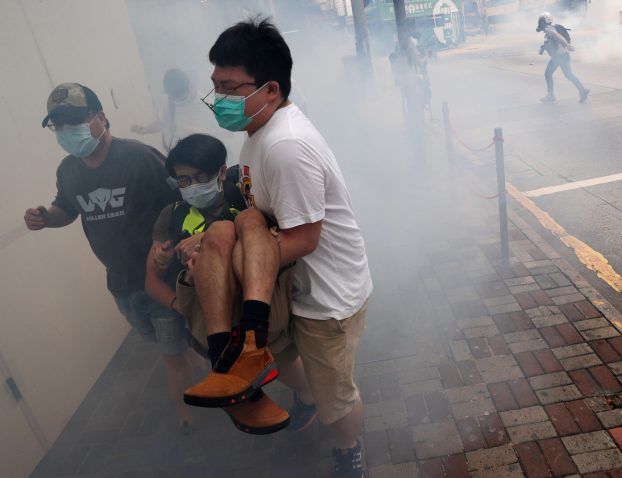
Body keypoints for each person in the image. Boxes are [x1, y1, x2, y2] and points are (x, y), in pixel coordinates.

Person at [184, 18, 372, 478]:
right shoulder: (257, 134)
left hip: (326, 299)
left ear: (270, 89)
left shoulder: (285, 145)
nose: (218, 99)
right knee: (284, 361)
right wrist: (210, 240)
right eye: (215, 86)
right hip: (288, 287)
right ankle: (278, 383)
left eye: (229, 87)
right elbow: (267, 218)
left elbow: (306, 238)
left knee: (336, 397)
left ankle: (348, 449)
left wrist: (226, 260)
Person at [24, 83, 196, 433]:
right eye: (58, 125)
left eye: (75, 120)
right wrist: (45, 218)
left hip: (159, 280)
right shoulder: (68, 171)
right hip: (121, 285)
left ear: (101, 117)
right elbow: (66, 209)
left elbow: (181, 202)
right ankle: (194, 373)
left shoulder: (138, 157)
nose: (66, 131)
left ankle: (188, 422)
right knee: (167, 346)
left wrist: (171, 243)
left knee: (172, 355)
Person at [145, 133, 291, 435]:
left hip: (258, 302)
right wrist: (178, 301)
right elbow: (151, 280)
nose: (192, 186)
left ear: (222, 172)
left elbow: (280, 234)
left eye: (200, 177)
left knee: (239, 224)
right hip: (210, 312)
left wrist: (209, 237)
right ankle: (229, 368)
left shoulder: (245, 197)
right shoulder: (171, 216)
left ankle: (256, 358)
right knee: (224, 230)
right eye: (183, 180)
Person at [536, 12, 590, 103]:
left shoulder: (549, 29)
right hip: (564, 55)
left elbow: (558, 36)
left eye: (541, 21)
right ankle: (582, 90)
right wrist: (544, 47)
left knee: (548, 74)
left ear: (545, 21)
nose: (540, 23)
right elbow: (553, 42)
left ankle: (551, 95)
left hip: (559, 56)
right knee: (568, 74)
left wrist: (567, 45)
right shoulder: (550, 29)